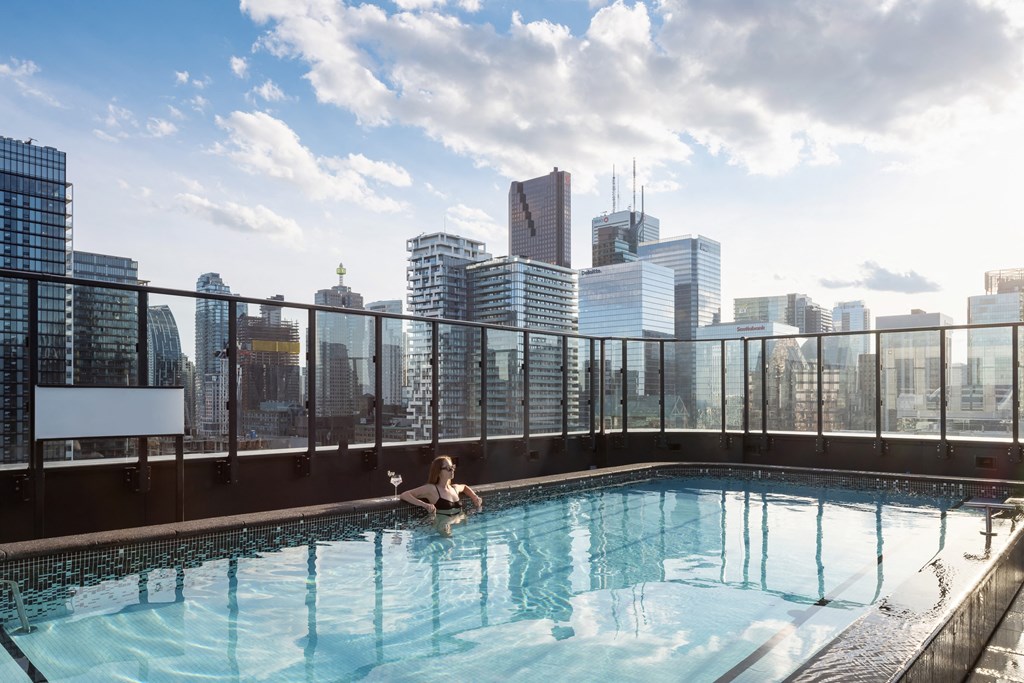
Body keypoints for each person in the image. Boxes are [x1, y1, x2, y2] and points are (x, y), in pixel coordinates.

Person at [400, 455, 482, 515]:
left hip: (458, 524)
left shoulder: (454, 488)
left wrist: (474, 497)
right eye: (448, 468)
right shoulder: (432, 489)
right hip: (443, 527)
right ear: (438, 472)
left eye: (452, 467)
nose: (452, 470)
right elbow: (404, 495)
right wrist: (425, 505)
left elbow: (464, 487)